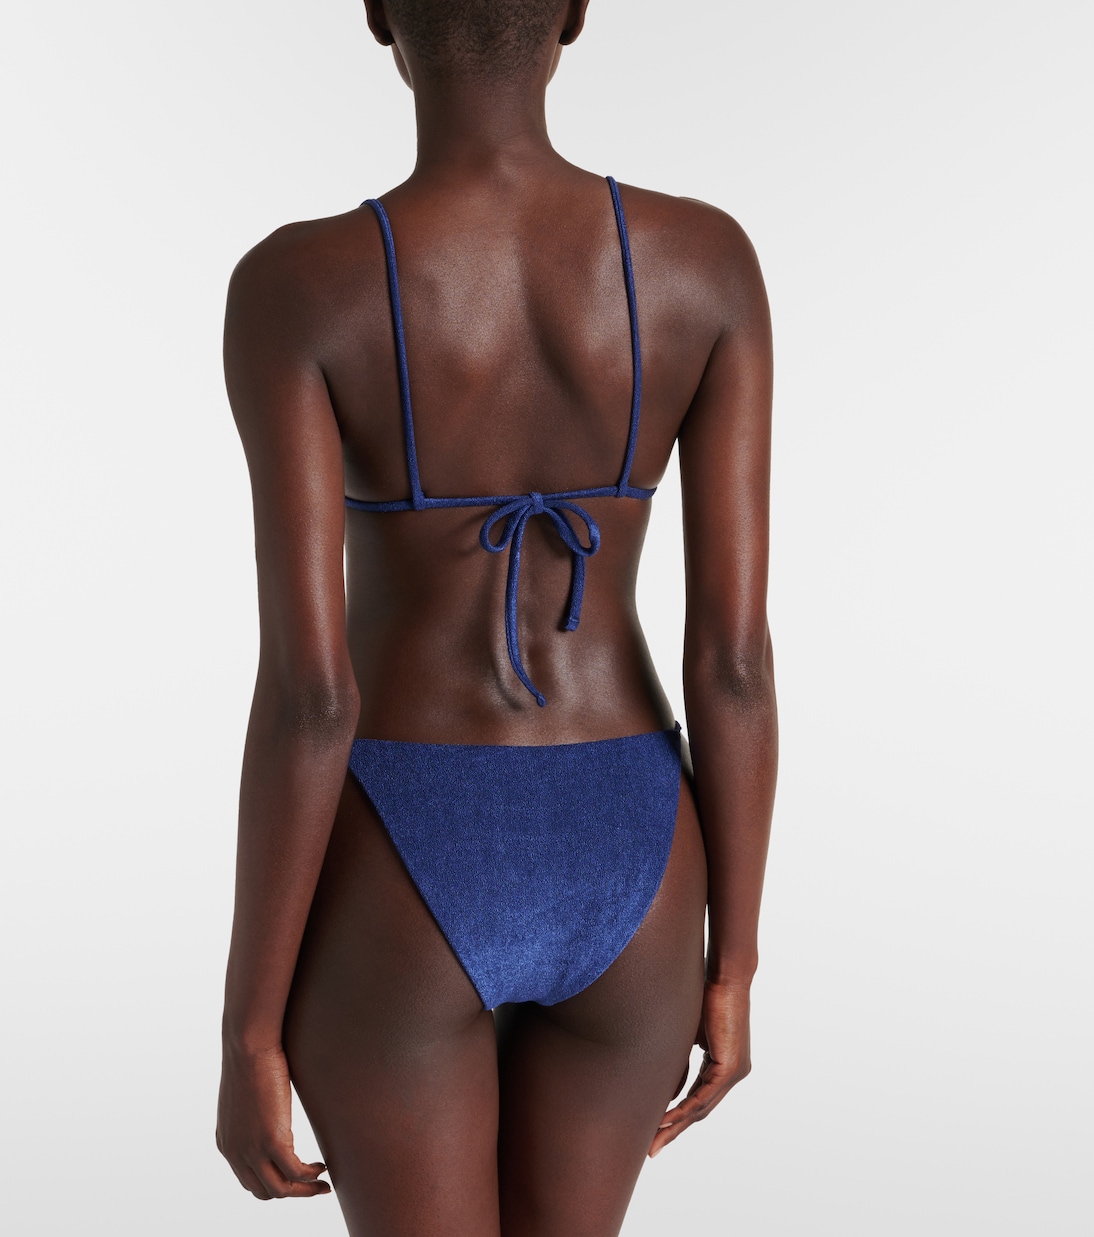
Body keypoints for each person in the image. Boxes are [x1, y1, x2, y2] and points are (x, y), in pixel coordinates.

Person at [215, 1, 777, 1232]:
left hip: (404, 841)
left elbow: (311, 698)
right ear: (574, 13)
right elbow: (731, 664)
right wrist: (731, 964)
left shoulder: (296, 285)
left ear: (378, 16)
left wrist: (248, 1030)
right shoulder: (703, 262)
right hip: (633, 841)